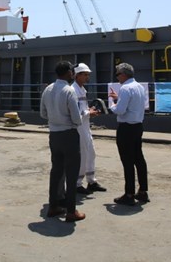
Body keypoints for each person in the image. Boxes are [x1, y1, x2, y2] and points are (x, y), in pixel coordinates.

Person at [40, 60, 85, 222]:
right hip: (69, 135)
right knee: (71, 174)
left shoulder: (47, 89)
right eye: (72, 71)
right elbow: (76, 118)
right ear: (68, 73)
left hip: (54, 135)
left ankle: (53, 207)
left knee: (56, 171)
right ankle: (71, 211)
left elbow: (43, 114)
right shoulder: (69, 90)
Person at [109, 63, 149, 206]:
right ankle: (143, 191)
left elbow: (120, 110)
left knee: (127, 161)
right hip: (137, 126)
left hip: (126, 128)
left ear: (124, 74)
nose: (117, 77)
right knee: (139, 159)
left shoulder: (125, 88)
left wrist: (112, 105)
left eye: (118, 74)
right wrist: (118, 98)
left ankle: (129, 194)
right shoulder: (139, 87)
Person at [71, 63, 106, 195]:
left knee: (91, 153)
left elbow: (82, 109)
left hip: (85, 127)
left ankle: (91, 181)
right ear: (77, 75)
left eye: (88, 75)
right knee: (83, 155)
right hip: (79, 128)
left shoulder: (82, 89)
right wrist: (88, 113)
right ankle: (77, 184)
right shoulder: (73, 90)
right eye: (85, 75)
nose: (87, 77)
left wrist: (89, 110)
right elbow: (74, 113)